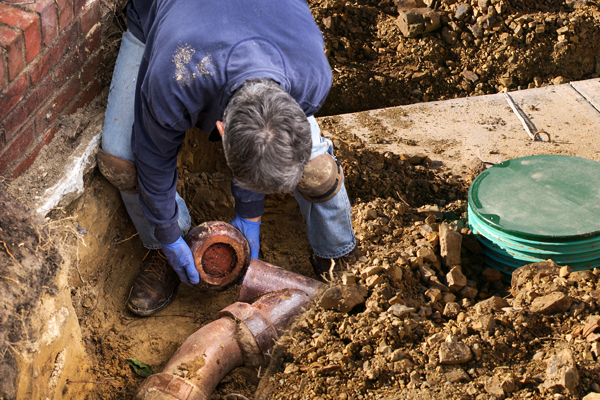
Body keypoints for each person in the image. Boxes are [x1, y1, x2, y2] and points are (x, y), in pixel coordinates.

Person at [97, 0, 356, 317]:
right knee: (121, 164)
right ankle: (163, 250)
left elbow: (267, 142)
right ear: (221, 128)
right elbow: (153, 157)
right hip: (164, 24)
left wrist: (250, 213)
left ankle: (335, 250)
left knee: (317, 171)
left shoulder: (313, 75)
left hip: (267, 26)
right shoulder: (173, 76)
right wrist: (167, 233)